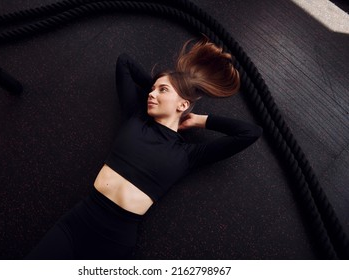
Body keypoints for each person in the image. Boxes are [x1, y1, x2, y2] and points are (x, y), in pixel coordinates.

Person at [25, 37, 262, 260]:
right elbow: (124, 62)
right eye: (152, 88)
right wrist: (165, 83)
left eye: (162, 90)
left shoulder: (188, 154)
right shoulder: (135, 118)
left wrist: (199, 119)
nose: (151, 93)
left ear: (183, 104)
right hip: (78, 222)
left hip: (115, 240)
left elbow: (250, 133)